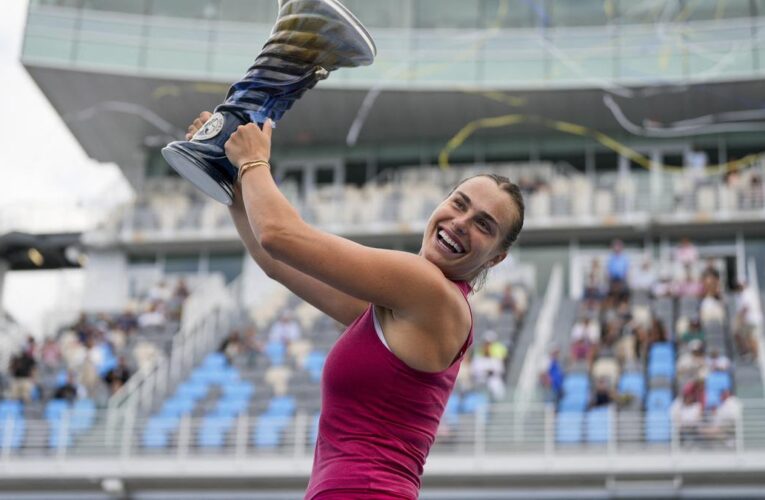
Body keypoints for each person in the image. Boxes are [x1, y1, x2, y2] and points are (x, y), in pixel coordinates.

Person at [186, 112, 525, 499]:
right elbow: (276, 263)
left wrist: (253, 161)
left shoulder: (427, 287)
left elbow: (280, 235)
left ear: (496, 258)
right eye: (459, 203)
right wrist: (231, 180)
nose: (462, 222)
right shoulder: (404, 308)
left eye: (484, 225)